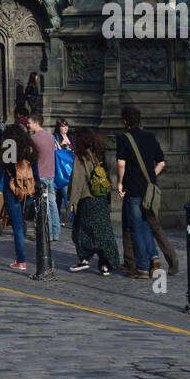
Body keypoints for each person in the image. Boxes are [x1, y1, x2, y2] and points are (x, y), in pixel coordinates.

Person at [116, 105, 164, 279]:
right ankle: (154, 256)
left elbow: (121, 163)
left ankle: (142, 268)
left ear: (125, 121)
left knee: (136, 228)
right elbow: (161, 162)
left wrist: (120, 182)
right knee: (145, 225)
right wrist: (151, 177)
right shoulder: (150, 137)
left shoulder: (123, 139)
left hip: (133, 188)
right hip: (149, 189)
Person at [67, 128, 120, 275]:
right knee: (103, 231)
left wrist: (72, 202)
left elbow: (77, 181)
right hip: (101, 198)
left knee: (81, 231)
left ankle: (84, 260)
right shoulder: (100, 154)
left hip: (86, 199)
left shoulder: (81, 157)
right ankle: (105, 265)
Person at [0, 123, 38, 270]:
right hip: (28, 190)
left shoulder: (8, 148)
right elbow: (35, 172)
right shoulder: (29, 149)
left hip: (11, 189)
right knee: (22, 222)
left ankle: (21, 260)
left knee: (17, 226)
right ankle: (26, 259)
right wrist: (37, 188)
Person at [28, 113, 61, 242]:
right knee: (52, 203)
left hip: (40, 175)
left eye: (29, 123)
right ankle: (55, 232)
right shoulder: (50, 137)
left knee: (43, 205)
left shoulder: (33, 139)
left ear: (36, 123)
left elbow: (30, 157)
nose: (28, 125)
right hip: (50, 174)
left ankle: (46, 233)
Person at [52, 118, 74, 224]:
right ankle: (73, 221)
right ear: (58, 127)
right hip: (61, 172)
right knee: (66, 197)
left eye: (66, 125)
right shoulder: (55, 137)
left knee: (59, 198)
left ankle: (56, 220)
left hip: (70, 170)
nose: (65, 128)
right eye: (62, 125)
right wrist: (62, 145)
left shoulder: (72, 137)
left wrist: (69, 148)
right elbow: (55, 152)